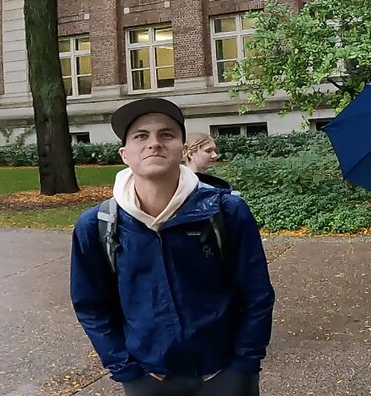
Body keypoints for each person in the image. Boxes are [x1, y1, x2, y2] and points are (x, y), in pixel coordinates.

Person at [70, 97, 274, 396]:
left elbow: (257, 294)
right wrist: (124, 368)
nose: (154, 143)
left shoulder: (226, 212)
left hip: (225, 374)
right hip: (148, 378)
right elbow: (91, 306)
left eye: (166, 134)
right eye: (141, 135)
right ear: (125, 154)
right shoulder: (97, 225)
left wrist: (244, 362)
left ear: (182, 150)